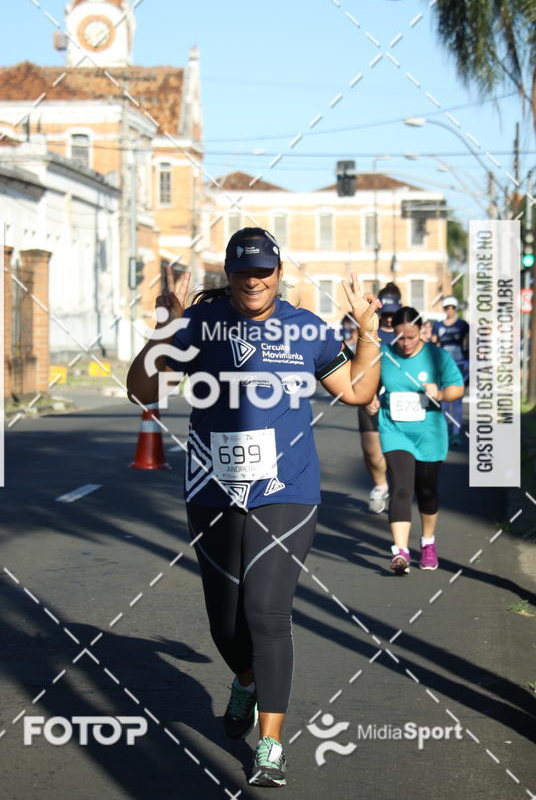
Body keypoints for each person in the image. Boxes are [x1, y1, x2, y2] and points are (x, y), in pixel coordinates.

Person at [126, 227, 381, 788]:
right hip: (213, 489)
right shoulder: (198, 326)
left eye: (264, 270)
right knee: (225, 621)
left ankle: (270, 743)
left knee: (267, 612)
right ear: (229, 275)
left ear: (279, 272)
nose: (255, 280)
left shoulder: (306, 329)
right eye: (244, 272)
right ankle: (245, 679)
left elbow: (359, 392)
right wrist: (164, 330)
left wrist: (368, 334)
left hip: (287, 489)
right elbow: (142, 390)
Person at [366, 306, 465, 574]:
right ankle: (400, 552)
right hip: (395, 430)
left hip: (429, 434)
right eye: (400, 337)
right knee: (401, 487)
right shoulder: (383, 355)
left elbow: (458, 387)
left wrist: (442, 394)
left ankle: (428, 542)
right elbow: (368, 386)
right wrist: (371, 401)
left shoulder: (436, 356)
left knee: (427, 491)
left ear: (421, 331)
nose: (406, 343)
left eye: (411, 337)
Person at [357, 283, 401, 514]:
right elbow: (360, 364)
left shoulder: (409, 331)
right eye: (386, 314)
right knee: (372, 451)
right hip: (371, 395)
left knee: (396, 452)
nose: (390, 319)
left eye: (394, 315)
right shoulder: (369, 327)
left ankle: (399, 489)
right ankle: (381, 486)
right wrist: (368, 393)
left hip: (400, 400)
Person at [432, 295, 469, 448]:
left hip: (461, 364)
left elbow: (470, 340)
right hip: (444, 365)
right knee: (444, 400)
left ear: (455, 309)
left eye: (452, 307)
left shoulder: (462, 324)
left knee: (457, 400)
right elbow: (434, 342)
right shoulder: (438, 325)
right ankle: (445, 430)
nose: (450, 310)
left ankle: (456, 433)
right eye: (447, 308)